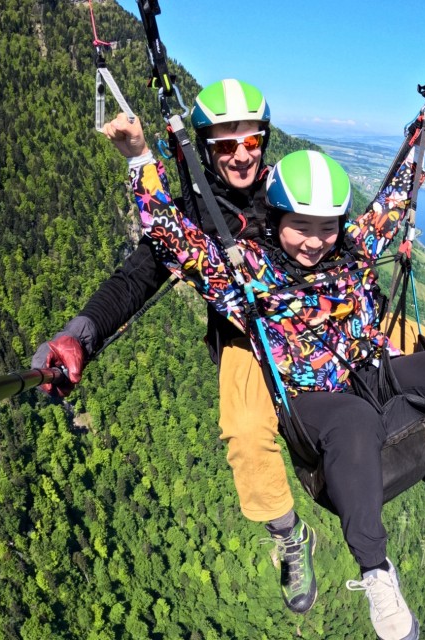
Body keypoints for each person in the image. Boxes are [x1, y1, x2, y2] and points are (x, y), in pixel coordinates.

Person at [101, 108, 425, 640]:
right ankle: (377, 572)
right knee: (355, 423)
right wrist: (139, 158)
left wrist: (418, 141)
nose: (314, 241)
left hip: (373, 371)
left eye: (326, 227)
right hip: (314, 402)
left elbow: (391, 203)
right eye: (300, 227)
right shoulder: (246, 276)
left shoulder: (353, 251)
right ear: (277, 220)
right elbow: (173, 237)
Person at [32, 79, 319, 614]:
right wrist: (81, 335)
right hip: (246, 335)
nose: (241, 156)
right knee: (247, 431)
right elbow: (137, 277)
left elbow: (341, 236)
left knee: (398, 346)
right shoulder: (191, 214)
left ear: (266, 141)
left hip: (311, 315)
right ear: (206, 150)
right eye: (226, 144)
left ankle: (409, 440)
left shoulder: (289, 190)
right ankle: (289, 533)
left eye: (251, 142)